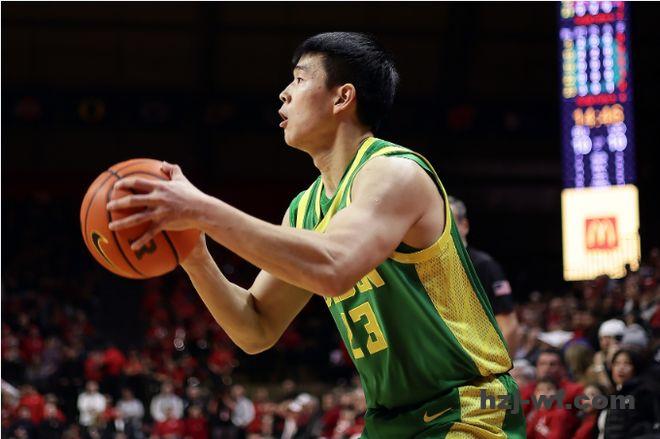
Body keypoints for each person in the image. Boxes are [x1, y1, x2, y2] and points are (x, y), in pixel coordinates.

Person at [108, 31, 525, 437]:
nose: (284, 93)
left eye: (299, 79)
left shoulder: (394, 172)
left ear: (342, 97)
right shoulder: (304, 210)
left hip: (467, 407)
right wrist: (195, 256)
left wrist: (202, 209)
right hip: (391, 420)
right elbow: (255, 327)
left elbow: (334, 266)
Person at [448, 196, 521, 354]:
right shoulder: (429, 267)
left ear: (464, 226)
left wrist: (497, 366)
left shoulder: (484, 266)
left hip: (479, 361)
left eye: (450, 222)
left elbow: (509, 326)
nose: (444, 229)